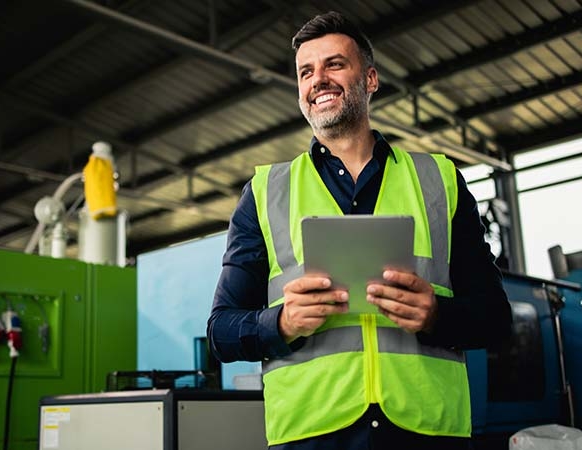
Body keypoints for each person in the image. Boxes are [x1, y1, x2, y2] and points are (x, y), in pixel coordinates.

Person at [207, 11, 512, 450]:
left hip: (426, 431)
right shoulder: (264, 192)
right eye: (306, 72)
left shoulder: (439, 181)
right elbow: (221, 330)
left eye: (335, 65)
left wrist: (437, 317)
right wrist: (283, 322)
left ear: (370, 79)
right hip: (312, 433)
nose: (318, 80)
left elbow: (496, 318)